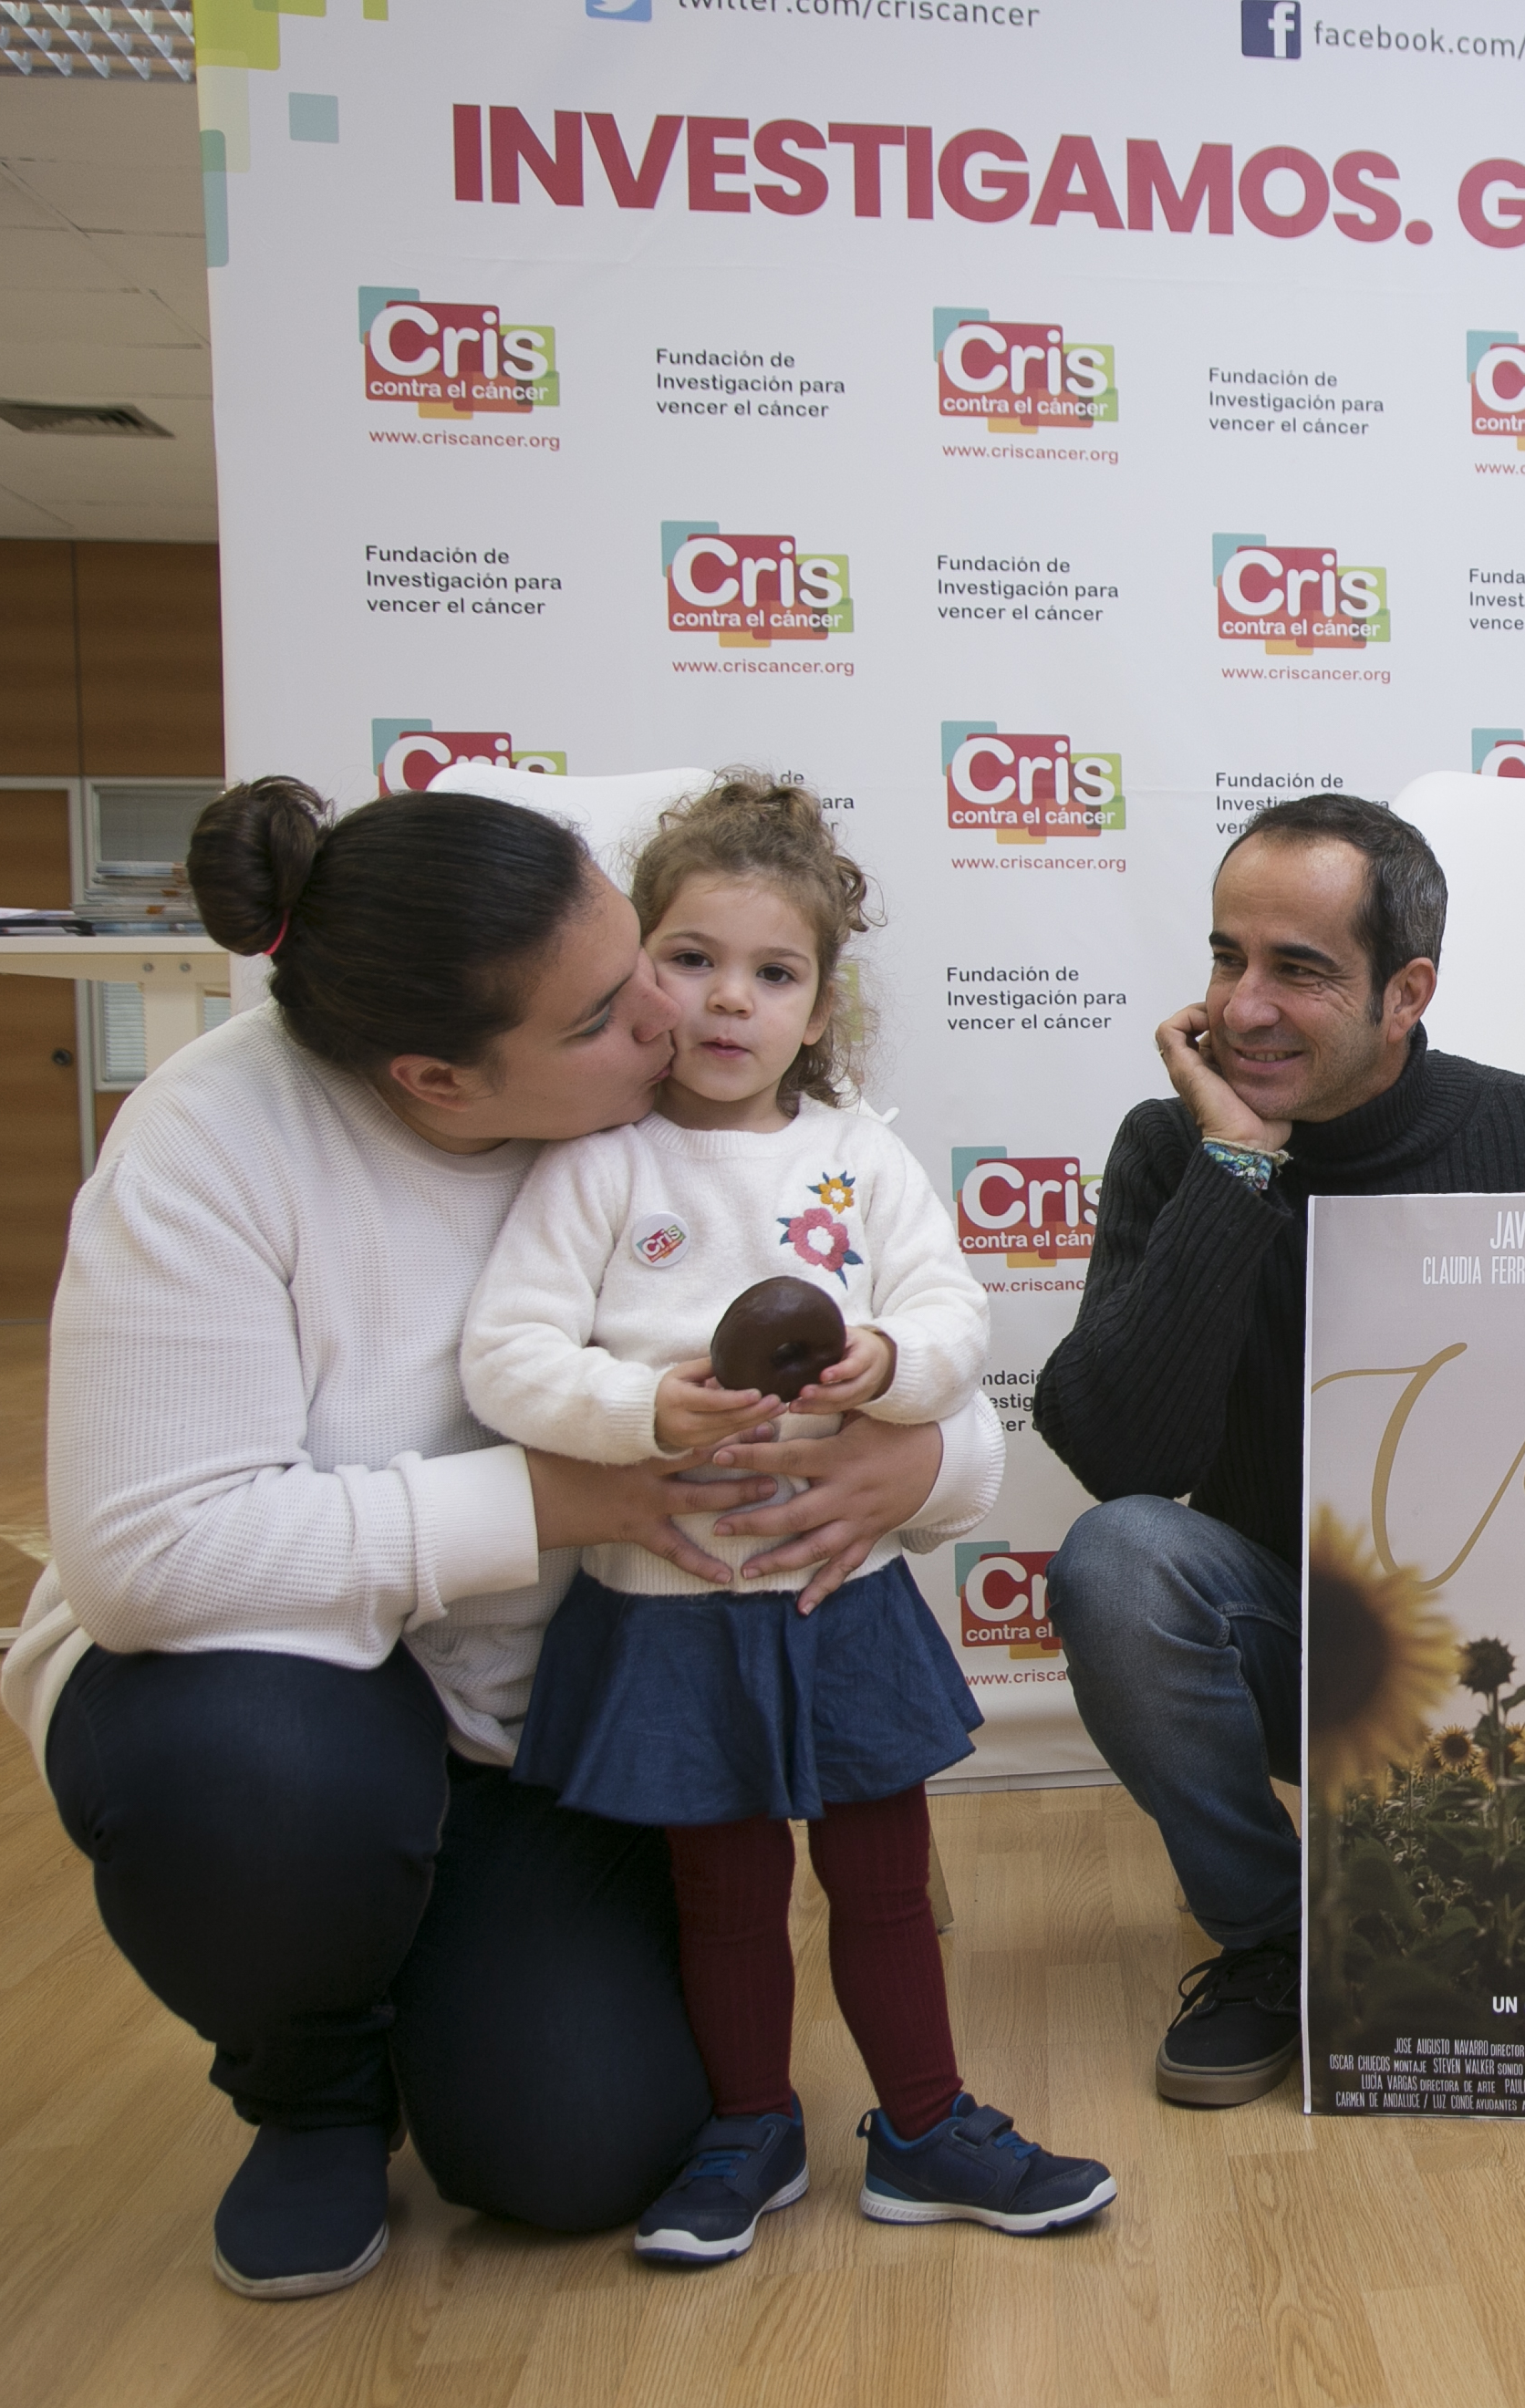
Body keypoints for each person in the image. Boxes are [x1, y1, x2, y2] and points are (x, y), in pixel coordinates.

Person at [4, 776, 1003, 2299]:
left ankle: (465, 1984)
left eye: (657, 963)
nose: (678, 1023)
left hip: (566, 1699)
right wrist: (554, 1499)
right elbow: (145, 1555)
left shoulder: (718, 1088)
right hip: (290, 1686)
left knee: (576, 2158)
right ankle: (314, 2079)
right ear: (443, 1081)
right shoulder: (215, 1141)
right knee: (249, 1774)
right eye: (619, 1006)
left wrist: (925, 1449)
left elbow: (898, 1332)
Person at [461, 776, 1110, 2266]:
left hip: (842, 1598)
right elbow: (508, 1359)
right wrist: (642, 1414)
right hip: (668, 1604)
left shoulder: (860, 1161)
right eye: (690, 959)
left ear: (820, 1007)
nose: (727, 1000)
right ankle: (747, 2128)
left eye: (773, 972)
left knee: (883, 1881)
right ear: (634, 969)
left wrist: (890, 1366)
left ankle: (927, 2128)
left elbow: (951, 1313)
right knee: (726, 1895)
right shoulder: (594, 1167)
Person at [1035, 792, 1525, 2106]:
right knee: (1119, 1561)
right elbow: (1116, 1452)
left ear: (1407, 992)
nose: (1243, 1006)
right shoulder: (1176, 1147)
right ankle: (1276, 1940)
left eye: (1299, 970)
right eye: (1227, 957)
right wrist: (1235, 1171)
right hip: (1309, 1643)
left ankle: (1497, 1868)